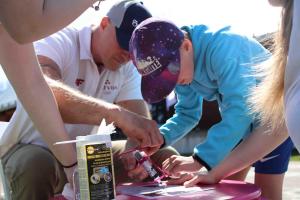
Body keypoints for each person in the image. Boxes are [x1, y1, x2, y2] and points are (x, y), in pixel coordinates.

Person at [0, 1, 175, 199]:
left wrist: (137, 149)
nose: (128, 54)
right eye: (124, 42)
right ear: (104, 23)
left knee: (162, 155)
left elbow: (137, 120)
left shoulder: (127, 65)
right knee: (35, 164)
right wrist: (117, 116)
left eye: (134, 49)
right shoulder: (60, 39)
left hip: (87, 154)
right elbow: (46, 93)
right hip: (32, 147)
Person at [129, 18, 294, 200]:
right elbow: (187, 114)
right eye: (163, 79)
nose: (172, 82)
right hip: (239, 129)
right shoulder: (182, 65)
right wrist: (159, 139)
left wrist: (199, 159)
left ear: (186, 46)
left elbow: (240, 109)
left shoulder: (224, 47)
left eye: (171, 72)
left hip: (274, 119)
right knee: (224, 191)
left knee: (267, 194)